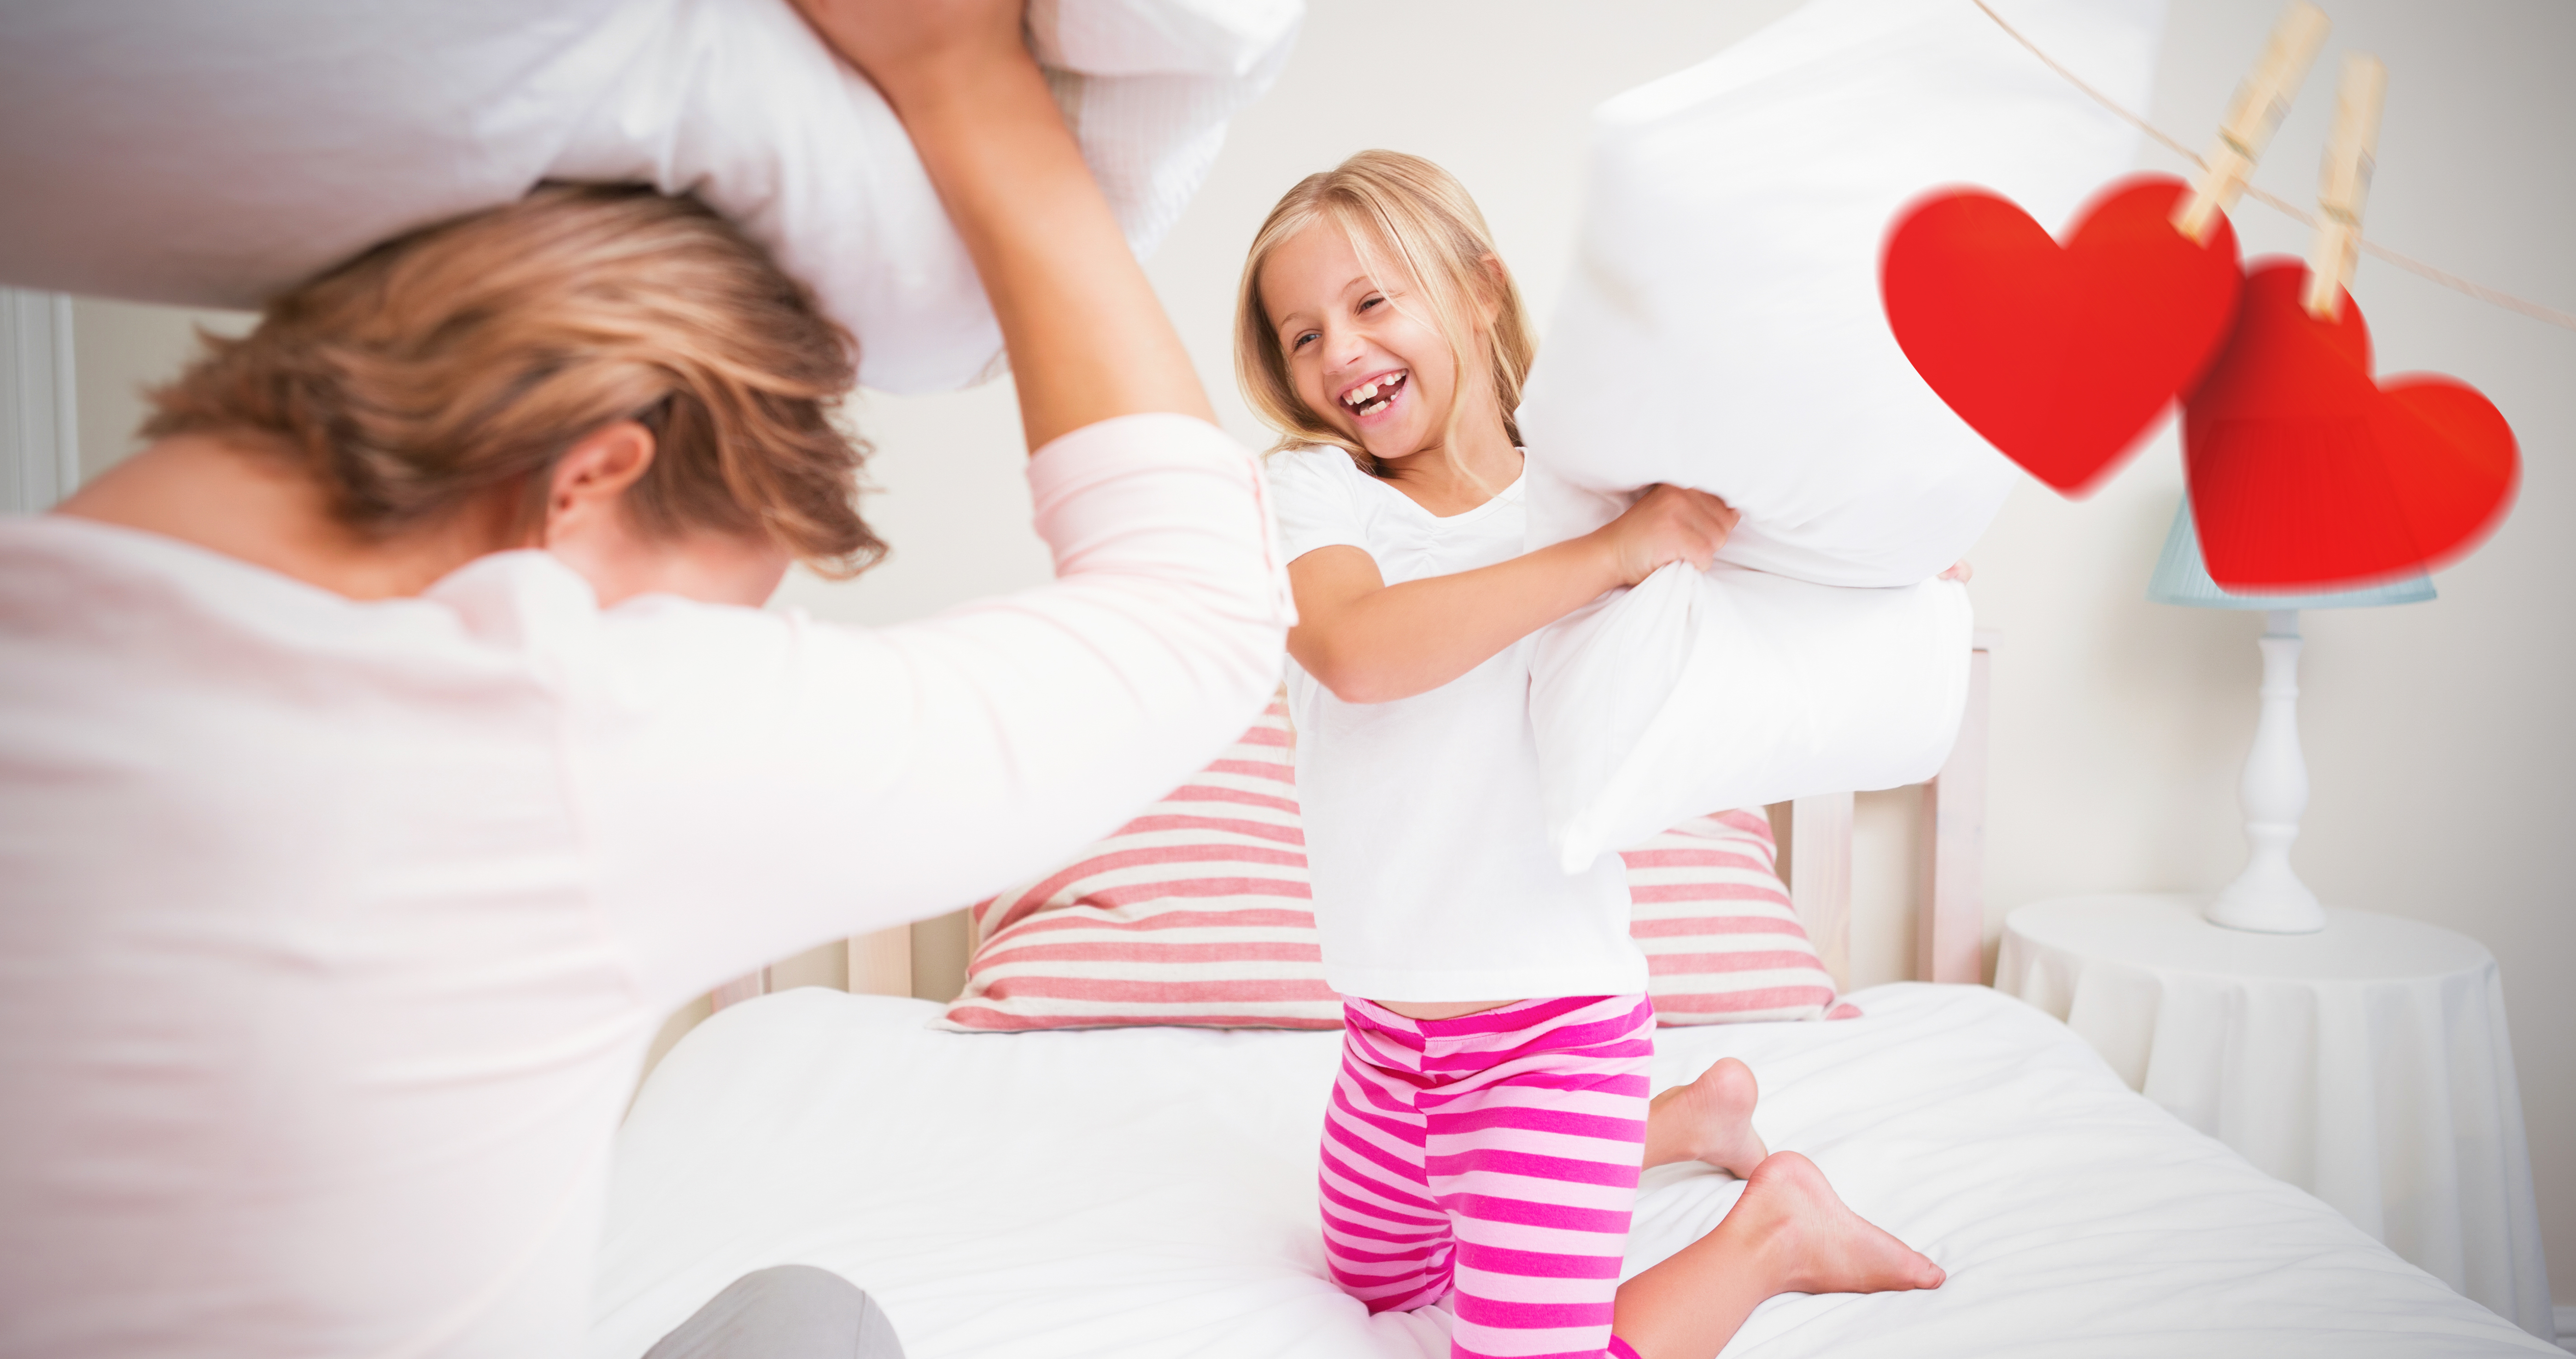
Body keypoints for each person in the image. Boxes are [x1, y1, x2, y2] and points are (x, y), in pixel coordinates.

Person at [0, 1, 1288, 1354]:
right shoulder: (535, 729)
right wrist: (967, 78)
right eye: (699, 623)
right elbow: (1201, 612)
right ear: (594, 478)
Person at [1239, 149, 1947, 1359]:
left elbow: (1785, 577)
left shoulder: (1585, 497)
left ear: (1475, 287)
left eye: (1371, 302)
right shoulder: (1319, 493)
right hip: (1383, 1049)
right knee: (1375, 1285)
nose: (1339, 353)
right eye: (1301, 335)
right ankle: (1693, 1120)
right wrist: (1615, 555)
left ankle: (1773, 1228)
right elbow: (1356, 652)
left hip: (1549, 1037)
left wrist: (1900, 583)